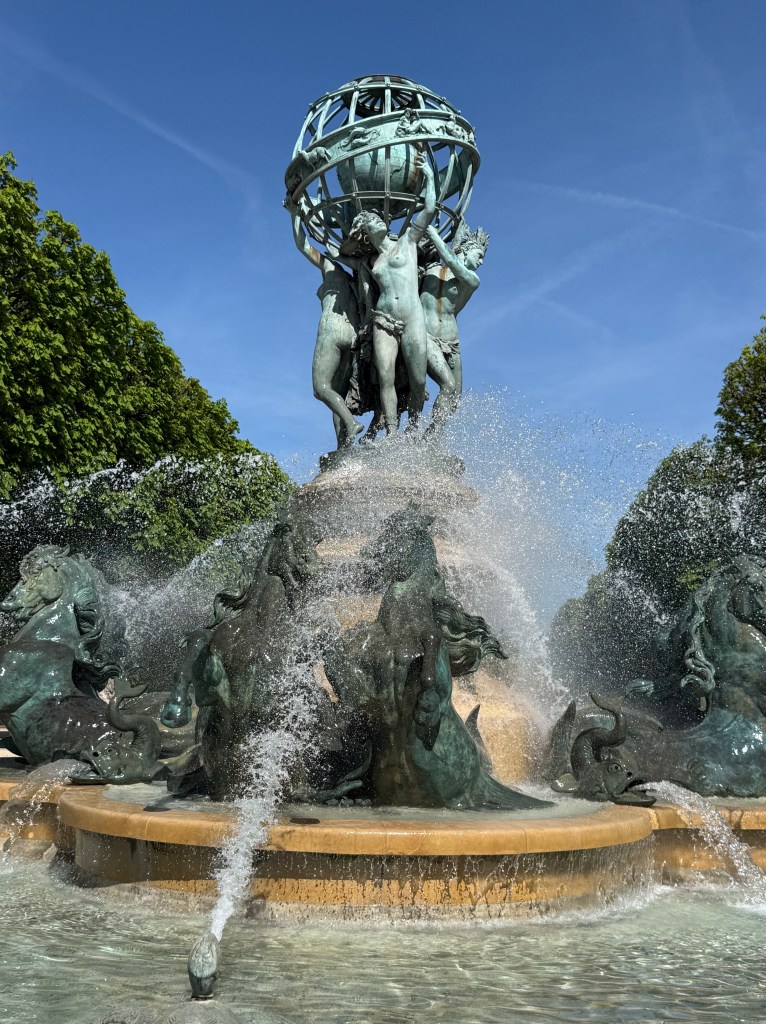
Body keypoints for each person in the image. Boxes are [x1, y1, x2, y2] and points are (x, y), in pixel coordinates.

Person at [346, 151, 436, 432]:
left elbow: (430, 209)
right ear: (366, 233)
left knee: (419, 380)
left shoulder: (408, 241)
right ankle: (394, 435)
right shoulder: (371, 261)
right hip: (384, 318)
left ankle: (414, 426)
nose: (379, 219)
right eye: (372, 220)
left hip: (411, 316)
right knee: (385, 377)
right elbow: (334, 256)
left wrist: (430, 178)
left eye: (377, 218)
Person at [285, 194, 364, 448]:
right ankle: (344, 446)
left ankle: (350, 425)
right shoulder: (361, 281)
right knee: (336, 394)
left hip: (331, 329)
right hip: (352, 337)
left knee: (321, 388)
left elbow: (302, 245)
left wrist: (294, 216)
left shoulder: (331, 268)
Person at [420, 221, 489, 425]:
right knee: (448, 386)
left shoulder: (471, 280)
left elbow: (451, 260)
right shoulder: (430, 269)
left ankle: (432, 436)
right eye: (479, 255)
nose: (482, 261)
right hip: (425, 335)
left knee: (456, 398)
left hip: (452, 342)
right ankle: (428, 438)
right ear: (466, 251)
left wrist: (434, 235)